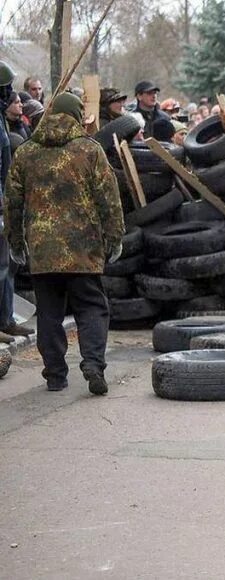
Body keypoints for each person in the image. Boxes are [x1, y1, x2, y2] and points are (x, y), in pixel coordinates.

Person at [4, 92, 124, 395]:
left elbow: (13, 203)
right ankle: (93, 365)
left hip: (42, 251)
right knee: (93, 308)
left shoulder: (26, 153)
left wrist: (16, 242)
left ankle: (55, 375)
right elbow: (109, 200)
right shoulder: (89, 150)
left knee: (49, 312)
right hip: (84, 248)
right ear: (76, 115)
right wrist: (115, 236)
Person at [0, 61, 32, 343]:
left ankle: (6, 319)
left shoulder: (2, 120)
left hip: (5, 200)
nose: (11, 96)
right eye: (6, 90)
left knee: (8, 264)